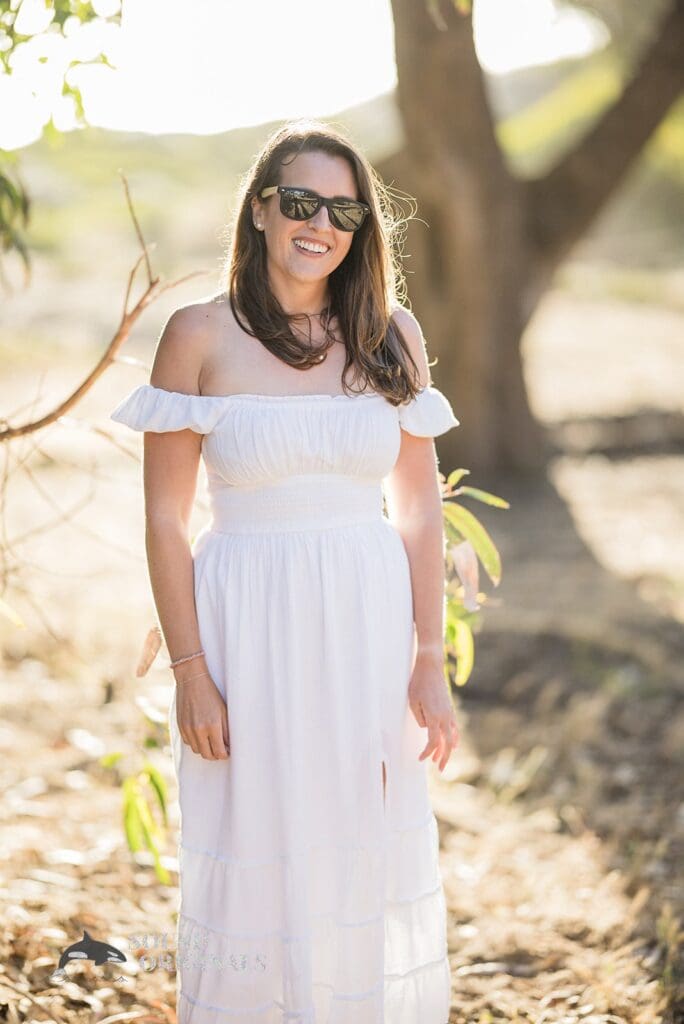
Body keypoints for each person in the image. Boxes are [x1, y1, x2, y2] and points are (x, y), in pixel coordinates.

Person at [110, 118, 461, 1024]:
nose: (321, 224)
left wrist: (429, 658)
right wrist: (191, 672)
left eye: (342, 208)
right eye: (300, 201)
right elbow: (163, 516)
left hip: (365, 619)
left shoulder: (392, 333)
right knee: (253, 838)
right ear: (261, 209)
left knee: (357, 838)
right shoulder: (198, 335)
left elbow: (419, 510)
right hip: (244, 624)